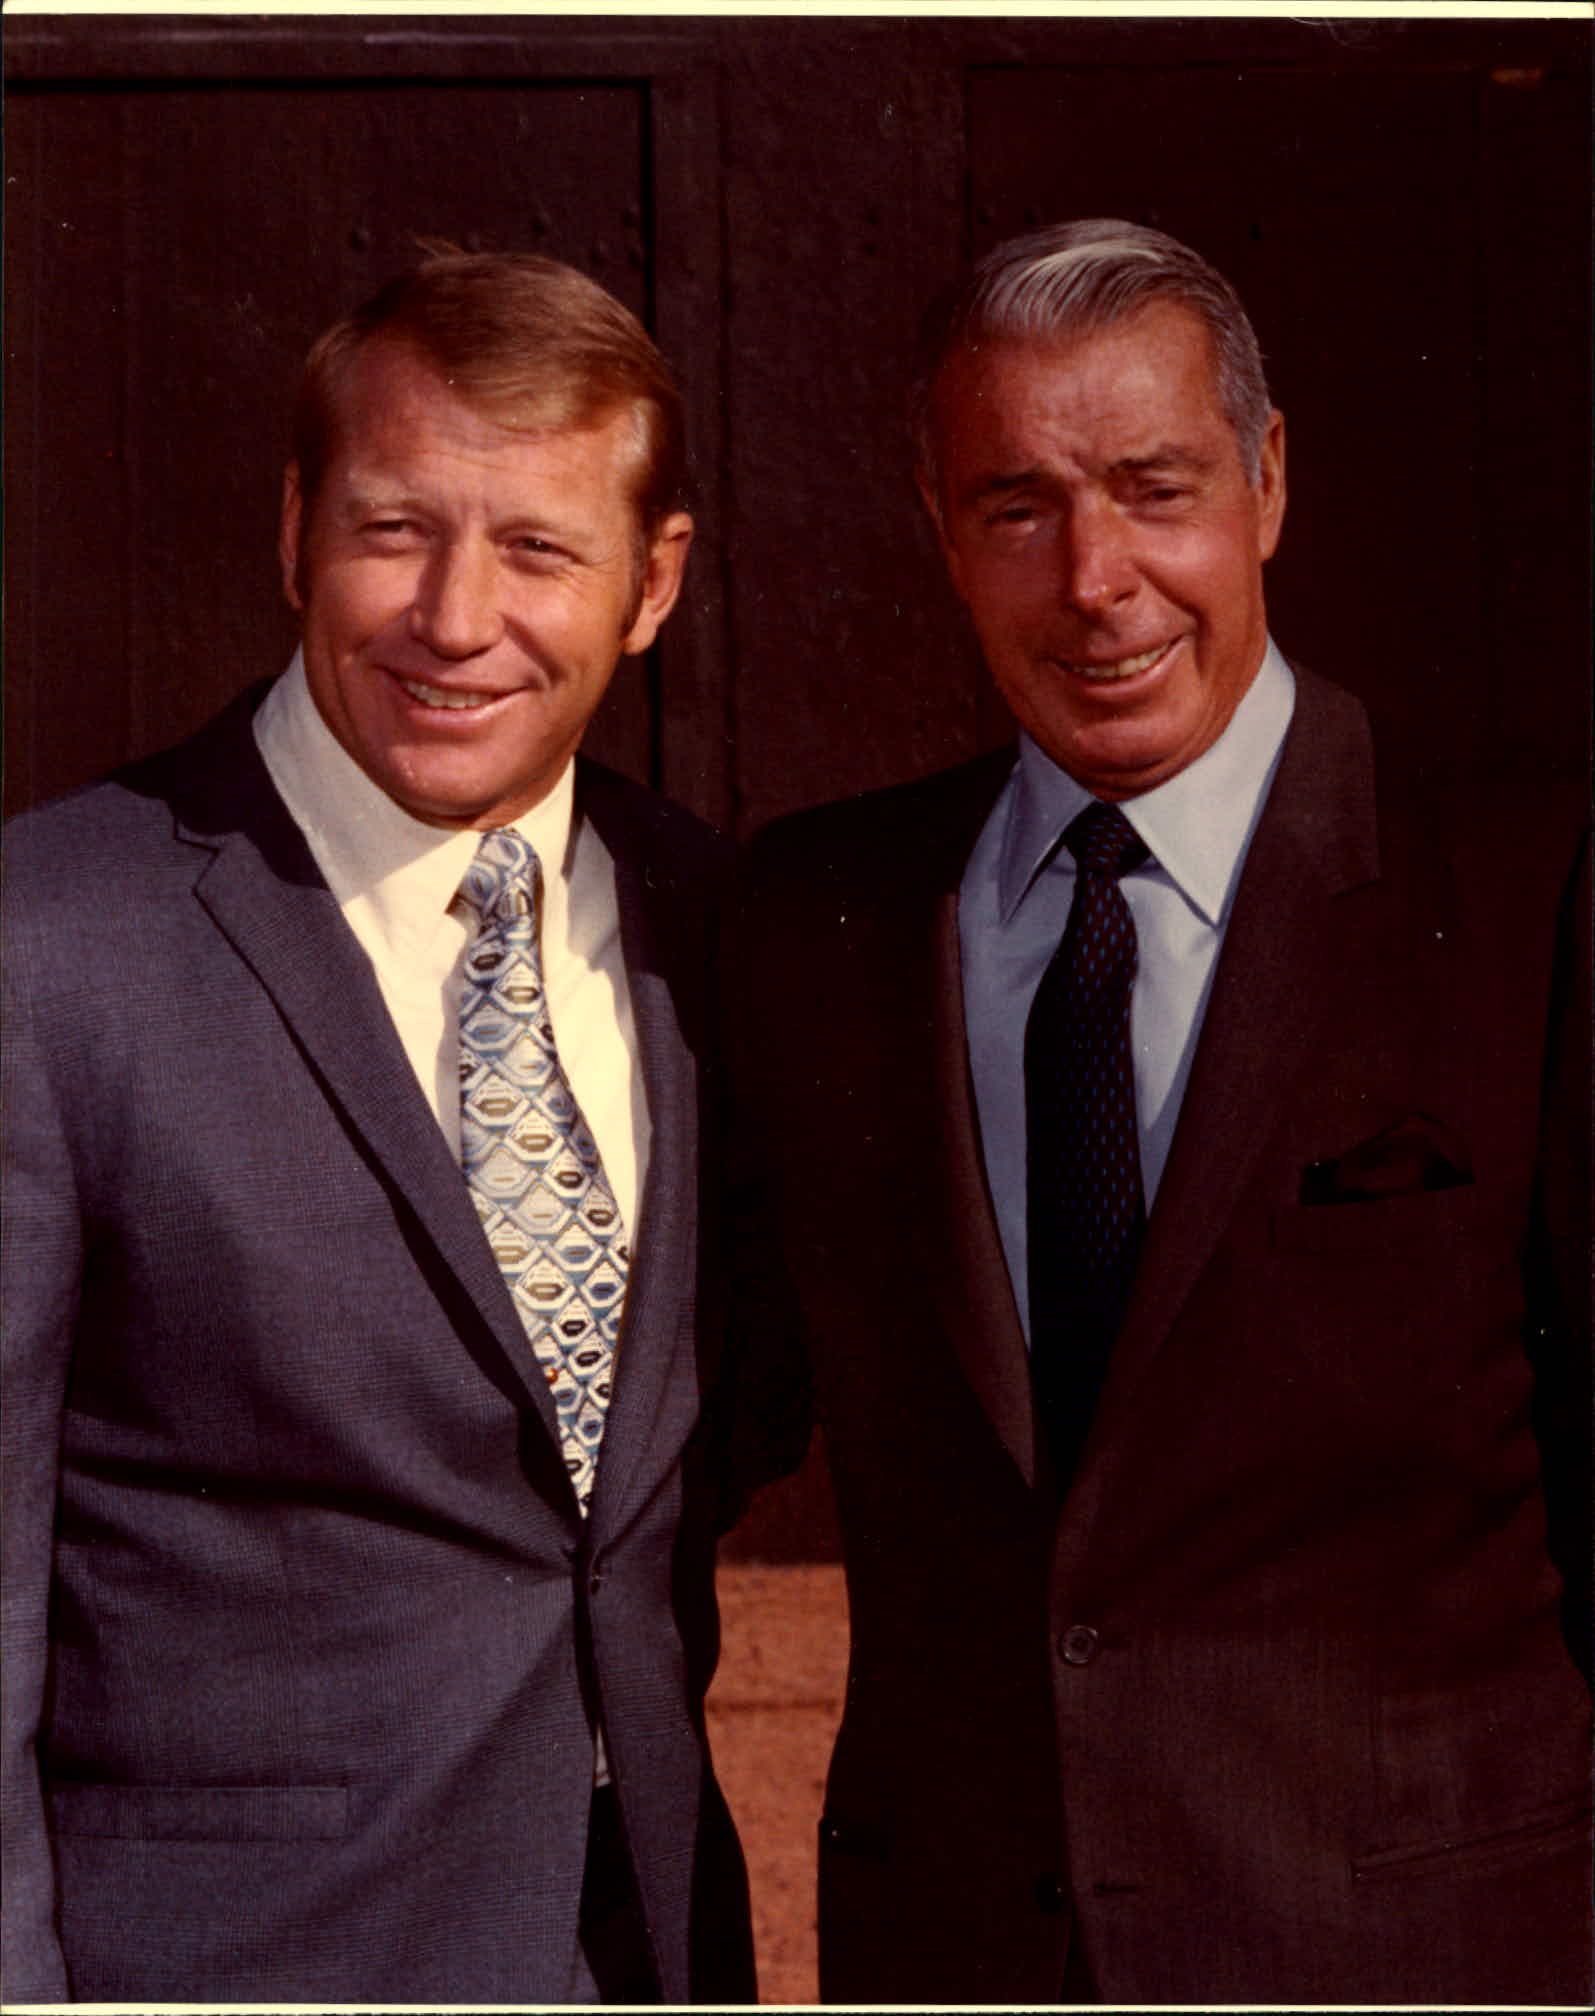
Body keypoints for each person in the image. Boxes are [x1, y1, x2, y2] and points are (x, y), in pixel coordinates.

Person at [726, 219, 1590, 2005]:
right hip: (957, 1960)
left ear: (1268, 481)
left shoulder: (1530, 895)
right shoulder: (815, 924)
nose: (1097, 577)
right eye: (1018, 506)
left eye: (1154, 487)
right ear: (937, 527)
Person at [2, 251, 754, 2004]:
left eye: (540, 549)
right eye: (394, 529)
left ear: (654, 586)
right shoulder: (46, 949)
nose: (455, 615)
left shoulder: (719, 930)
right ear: (293, 533)